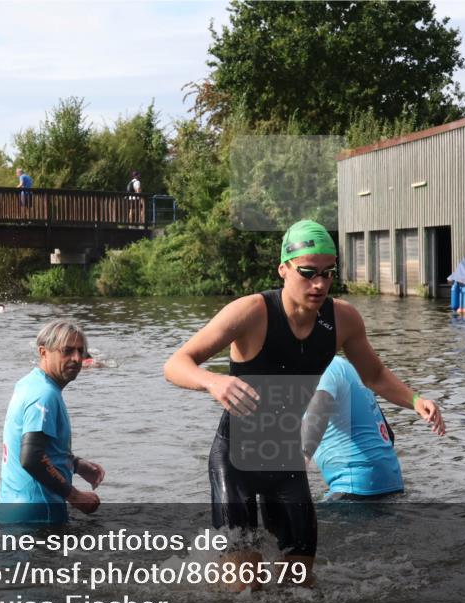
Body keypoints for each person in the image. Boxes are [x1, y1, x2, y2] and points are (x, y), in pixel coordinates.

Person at [163, 219, 445, 584]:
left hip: (285, 461)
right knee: (241, 588)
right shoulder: (251, 312)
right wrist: (213, 381)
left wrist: (416, 399)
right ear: (283, 269)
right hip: (237, 461)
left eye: (328, 274)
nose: (319, 284)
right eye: (308, 273)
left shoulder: (343, 318)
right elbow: (175, 364)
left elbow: (374, 375)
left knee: (298, 584)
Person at [0, 320, 105, 524]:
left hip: (11, 510)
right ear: (43, 352)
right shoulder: (44, 395)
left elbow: (38, 448)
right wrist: (75, 496)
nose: (77, 358)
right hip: (37, 516)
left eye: (81, 351)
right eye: (67, 351)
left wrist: (76, 464)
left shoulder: (29, 383)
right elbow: (32, 457)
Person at [301, 356, 404, 500]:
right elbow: (389, 435)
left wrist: (302, 457)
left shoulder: (324, 368)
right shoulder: (347, 367)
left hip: (357, 487)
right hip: (393, 482)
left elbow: (320, 407)